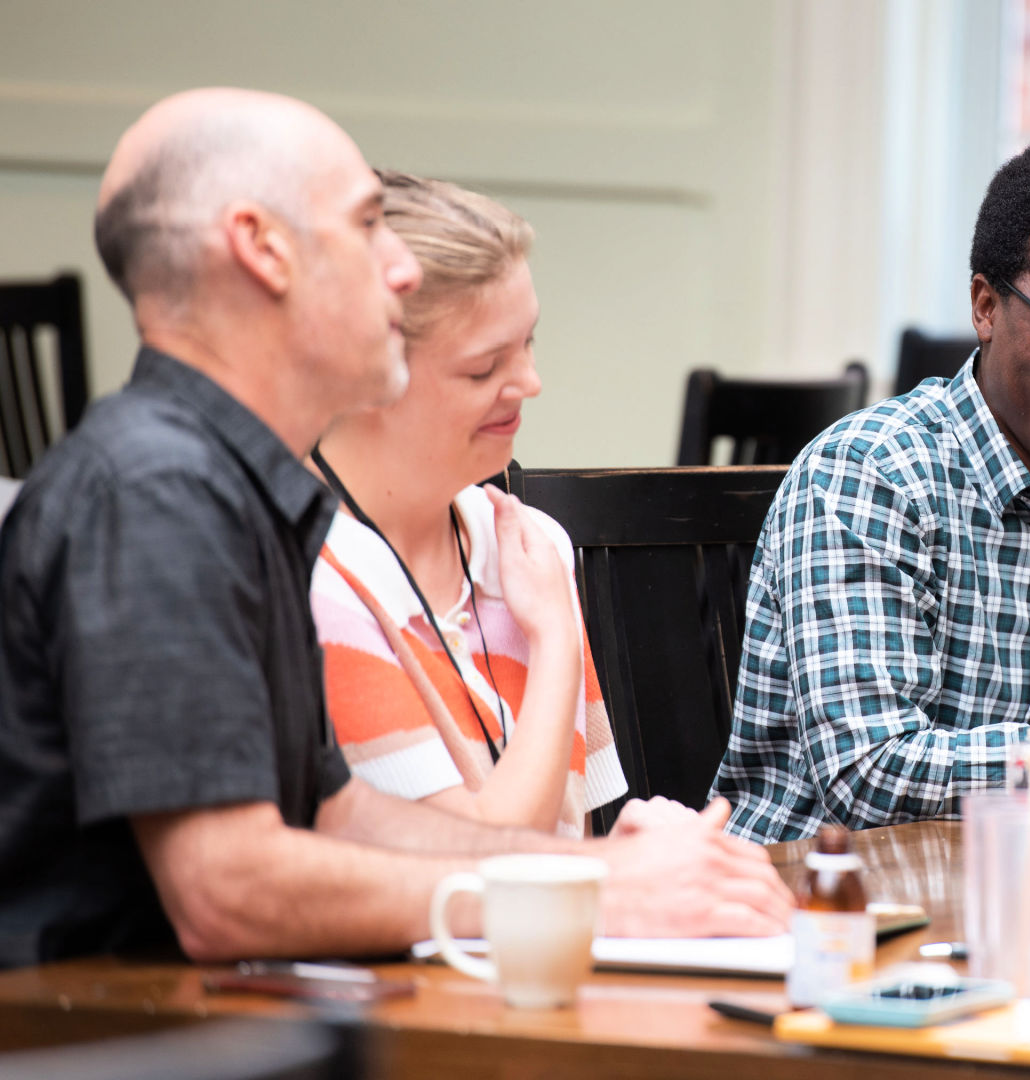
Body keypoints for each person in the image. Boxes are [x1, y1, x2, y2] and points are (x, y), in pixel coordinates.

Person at [0, 89, 788, 969]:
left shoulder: (232, 483)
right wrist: (603, 891)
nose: (402, 269)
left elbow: (343, 818)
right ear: (263, 248)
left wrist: (608, 867)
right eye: (367, 223)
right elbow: (226, 891)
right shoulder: (153, 490)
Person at [711, 135, 1030, 843]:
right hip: (813, 903)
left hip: (1025, 899)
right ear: (985, 306)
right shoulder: (872, 474)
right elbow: (870, 774)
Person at [308, 171, 628, 836]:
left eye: (529, 343)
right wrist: (555, 637)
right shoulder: (309, 581)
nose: (531, 383)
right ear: (363, 374)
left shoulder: (529, 546)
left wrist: (623, 851)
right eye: (484, 369)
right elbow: (486, 861)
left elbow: (572, 834)